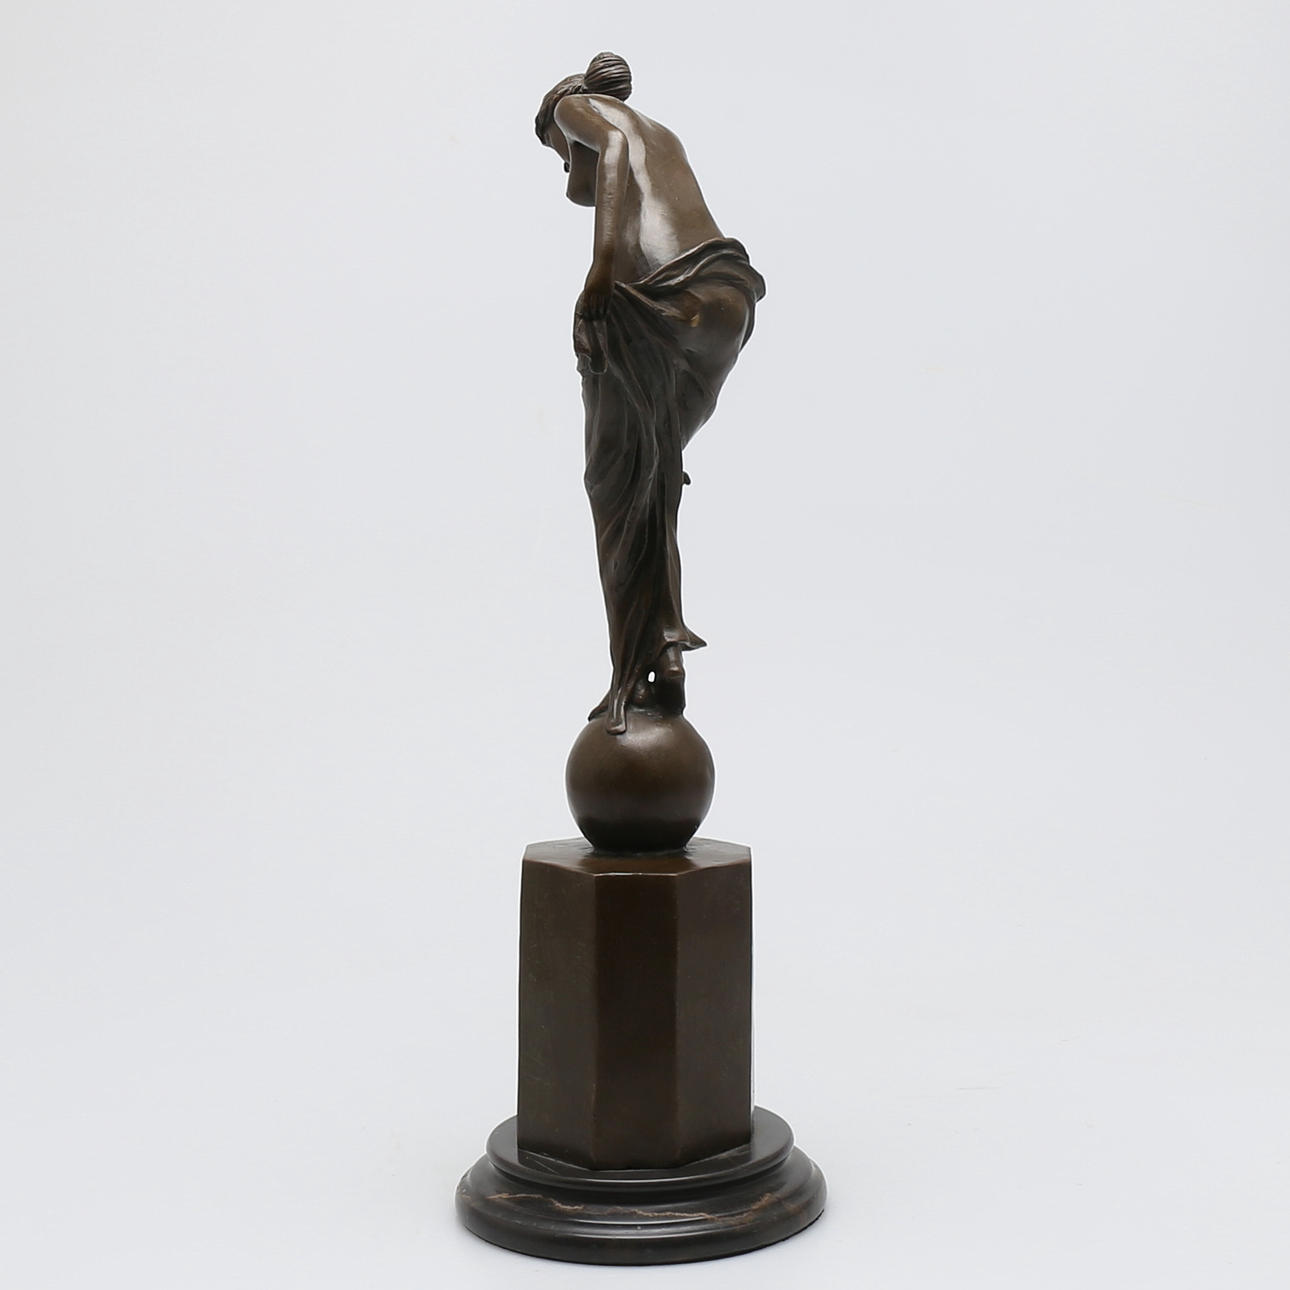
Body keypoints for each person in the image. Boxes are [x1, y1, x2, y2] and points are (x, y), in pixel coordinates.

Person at [537, 53, 766, 735]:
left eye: (560, 155)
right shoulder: (662, 134)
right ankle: (662, 651)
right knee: (651, 475)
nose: (566, 171)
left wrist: (601, 271)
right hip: (725, 299)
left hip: (660, 295)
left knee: (613, 484)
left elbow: (607, 152)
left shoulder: (580, 109)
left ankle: (640, 661)